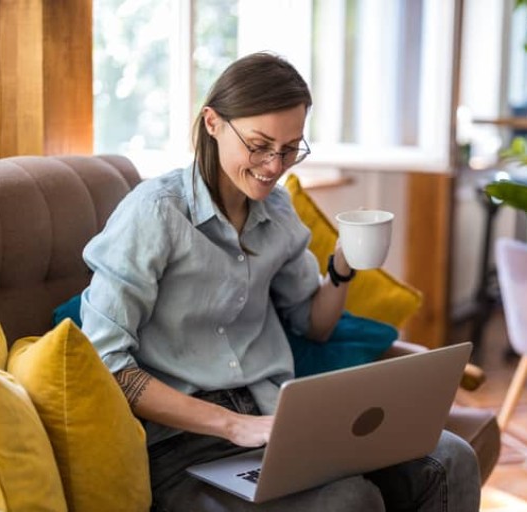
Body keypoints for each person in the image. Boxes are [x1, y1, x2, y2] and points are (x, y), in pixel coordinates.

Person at [80, 52, 480, 512]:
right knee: (349, 500)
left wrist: (344, 263)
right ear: (212, 123)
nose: (274, 166)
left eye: (290, 148)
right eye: (259, 145)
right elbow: (106, 363)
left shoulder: (277, 212)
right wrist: (233, 425)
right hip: (183, 445)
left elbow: (315, 325)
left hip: (278, 422)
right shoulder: (155, 212)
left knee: (452, 457)